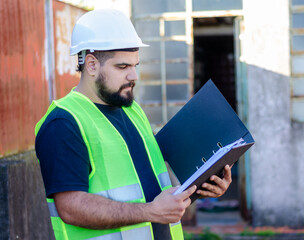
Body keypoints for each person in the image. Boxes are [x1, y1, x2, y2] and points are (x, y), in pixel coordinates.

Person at [35, 9, 232, 240]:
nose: (134, 76)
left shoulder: (131, 109)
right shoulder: (64, 122)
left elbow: (151, 184)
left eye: (135, 65)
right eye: (123, 67)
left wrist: (205, 185)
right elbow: (70, 207)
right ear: (91, 65)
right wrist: (150, 211)